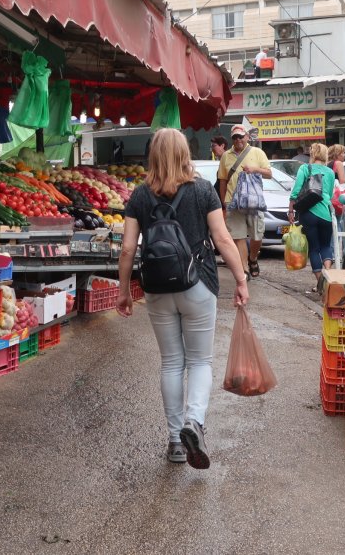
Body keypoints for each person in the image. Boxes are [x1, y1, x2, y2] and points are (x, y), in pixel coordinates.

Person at [117, 128, 249, 469]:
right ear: (184, 154)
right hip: (198, 284)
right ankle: (195, 421)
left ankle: (176, 441)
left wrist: (123, 292)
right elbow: (221, 238)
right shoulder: (203, 190)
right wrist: (240, 278)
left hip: (158, 288)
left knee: (172, 362)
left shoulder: (140, 196)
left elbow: (129, 247)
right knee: (200, 361)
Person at [217, 124, 272, 279]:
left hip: (254, 202)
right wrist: (223, 202)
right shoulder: (226, 156)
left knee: (257, 236)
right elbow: (222, 180)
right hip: (233, 203)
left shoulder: (257, 152)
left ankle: (253, 258)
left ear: (247, 137)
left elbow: (269, 174)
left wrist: (255, 169)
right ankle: (245, 268)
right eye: (235, 137)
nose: (238, 139)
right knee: (238, 236)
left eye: (241, 136)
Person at [287, 143, 336, 293]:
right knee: (326, 247)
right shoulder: (330, 172)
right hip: (326, 214)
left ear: (313, 154)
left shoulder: (305, 168)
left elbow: (295, 192)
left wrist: (291, 210)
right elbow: (330, 194)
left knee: (314, 249)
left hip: (308, 213)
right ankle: (327, 276)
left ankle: (320, 281)